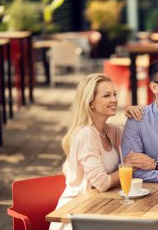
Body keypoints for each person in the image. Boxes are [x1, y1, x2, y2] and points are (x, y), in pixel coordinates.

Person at [50, 73, 142, 230]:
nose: (114, 99)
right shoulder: (86, 134)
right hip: (75, 215)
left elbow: (139, 151)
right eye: (106, 95)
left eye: (114, 94)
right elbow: (102, 183)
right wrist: (130, 168)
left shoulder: (111, 131)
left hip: (100, 208)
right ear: (90, 102)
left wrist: (135, 116)